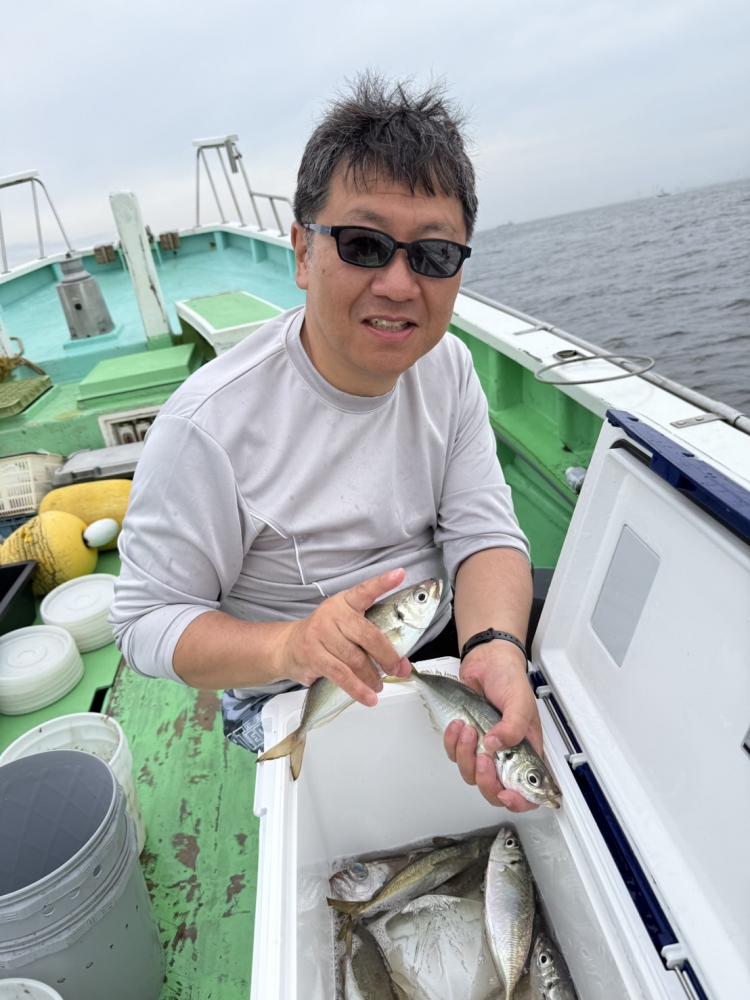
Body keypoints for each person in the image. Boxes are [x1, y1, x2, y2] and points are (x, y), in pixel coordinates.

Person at [111, 74, 540, 812]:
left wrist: (493, 646)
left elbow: (483, 532)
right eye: (365, 245)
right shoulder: (207, 426)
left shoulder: (448, 367)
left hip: (440, 644)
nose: (399, 284)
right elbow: (145, 621)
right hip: (293, 686)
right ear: (302, 252)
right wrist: (289, 645)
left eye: (434, 254)